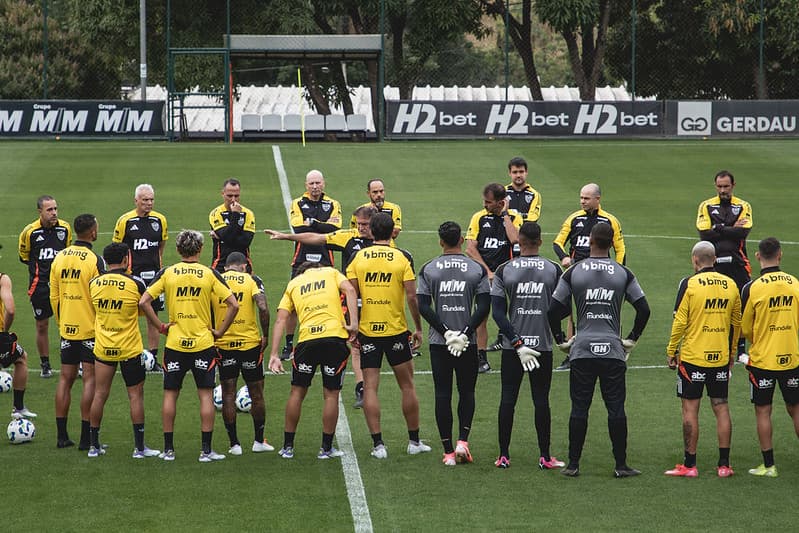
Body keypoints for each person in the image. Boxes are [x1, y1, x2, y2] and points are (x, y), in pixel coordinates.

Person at [548, 222, 650, 478]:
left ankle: (573, 464)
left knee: (579, 408)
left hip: (582, 350)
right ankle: (621, 465)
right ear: (611, 243)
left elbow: (552, 310)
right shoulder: (623, 272)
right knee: (616, 408)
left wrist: (561, 339)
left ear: (590, 241)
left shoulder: (573, 271)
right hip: (612, 351)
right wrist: (632, 338)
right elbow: (644, 309)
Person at [139, 229, 239, 462]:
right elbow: (233, 304)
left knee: (170, 394)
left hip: (175, 343)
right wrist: (220, 331)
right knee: (205, 395)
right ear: (201, 249)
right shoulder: (209, 273)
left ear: (177, 249)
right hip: (203, 343)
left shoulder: (168, 273)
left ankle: (169, 450)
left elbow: (144, 301)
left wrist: (161, 326)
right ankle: (205, 451)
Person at [266, 205, 378, 408]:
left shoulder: (384, 241)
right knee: (356, 346)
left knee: (373, 346)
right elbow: (317, 238)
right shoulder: (348, 237)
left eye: (365, 225)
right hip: (352, 300)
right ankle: (361, 389)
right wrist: (286, 237)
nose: (361, 228)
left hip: (377, 300)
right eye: (358, 224)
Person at [346, 212, 430, 459]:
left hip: (368, 331)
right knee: (407, 385)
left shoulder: (358, 257)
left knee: (370, 387)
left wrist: (353, 325)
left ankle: (378, 446)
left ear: (371, 231)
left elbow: (351, 293)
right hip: (395, 331)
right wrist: (418, 328)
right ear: (392, 231)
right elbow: (413, 297)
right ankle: (414, 442)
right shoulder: (402, 258)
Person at [491, 221, 565, 470]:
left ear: (518, 242)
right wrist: (557, 334)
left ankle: (503, 455)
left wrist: (516, 341)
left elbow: (498, 314)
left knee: (508, 398)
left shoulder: (504, 269)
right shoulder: (553, 269)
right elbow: (561, 308)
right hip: (542, 345)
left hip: (514, 348)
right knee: (541, 399)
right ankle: (545, 457)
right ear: (541, 242)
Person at [664, 241, 741, 478]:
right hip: (719, 357)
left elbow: (680, 321)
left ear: (695, 260)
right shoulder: (731, 284)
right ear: (715, 259)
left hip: (693, 358)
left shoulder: (689, 284)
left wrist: (671, 349)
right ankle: (724, 465)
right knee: (721, 406)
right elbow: (736, 323)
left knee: (690, 409)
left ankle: (690, 465)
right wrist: (731, 354)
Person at [417, 221, 490, 466]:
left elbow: (424, 306)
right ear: (460, 240)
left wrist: (446, 332)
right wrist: (466, 332)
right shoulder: (476, 269)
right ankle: (463, 442)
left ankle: (448, 451)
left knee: (442, 393)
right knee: (467, 391)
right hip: (466, 343)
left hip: (440, 343)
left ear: (440, 241)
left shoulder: (429, 268)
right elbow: (484, 306)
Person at [268, 262, 358, 459]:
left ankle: (288, 447)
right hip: (334, 338)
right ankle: (326, 448)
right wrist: (354, 325)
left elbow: (281, 319)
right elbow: (350, 289)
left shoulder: (294, 284)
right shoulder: (331, 272)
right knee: (331, 395)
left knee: (297, 392)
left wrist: (274, 354)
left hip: (307, 341)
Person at [87, 243, 160, 459]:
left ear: (106, 260)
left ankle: (94, 446)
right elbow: (144, 309)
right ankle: (139, 448)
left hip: (103, 347)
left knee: (100, 394)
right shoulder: (135, 282)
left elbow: (94, 309)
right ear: (126, 259)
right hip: (129, 348)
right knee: (135, 396)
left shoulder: (94, 283)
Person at [740, 237, 799, 478]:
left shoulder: (752, 287)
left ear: (757, 257)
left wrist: (760, 338)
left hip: (763, 359)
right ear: (780, 255)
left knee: (763, 411)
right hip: (792, 357)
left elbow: (745, 328)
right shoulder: (795, 284)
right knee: (796, 409)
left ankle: (769, 465)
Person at [552, 183, 626, 370]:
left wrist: (618, 271)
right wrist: (565, 257)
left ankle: (616, 348)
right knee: (573, 313)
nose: (582, 201)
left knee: (609, 310)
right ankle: (572, 353)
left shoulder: (610, 221)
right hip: (578, 275)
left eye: (586, 198)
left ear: (597, 199)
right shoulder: (574, 219)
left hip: (604, 274)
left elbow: (620, 249)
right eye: (581, 198)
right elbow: (557, 242)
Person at [49, 214, 105, 449]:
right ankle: (86, 438)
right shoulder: (94, 260)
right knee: (89, 380)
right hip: (89, 329)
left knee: (65, 378)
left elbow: (54, 295)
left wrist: (62, 323)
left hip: (67, 328)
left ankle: (62, 436)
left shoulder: (59, 258)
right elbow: (101, 294)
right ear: (92, 232)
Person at [213, 252, 274, 456]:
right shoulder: (251, 279)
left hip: (224, 343)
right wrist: (265, 335)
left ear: (227, 266)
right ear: (244, 266)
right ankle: (258, 441)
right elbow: (263, 307)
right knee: (256, 393)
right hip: (249, 344)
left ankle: (234, 445)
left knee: (228, 394)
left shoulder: (216, 278)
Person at [279, 170, 342, 361]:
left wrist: (312, 222)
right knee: (293, 305)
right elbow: (298, 228)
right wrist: (322, 225)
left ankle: (330, 339)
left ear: (324, 183)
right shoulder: (297, 203)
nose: (315, 186)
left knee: (330, 301)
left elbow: (335, 228)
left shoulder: (333, 203)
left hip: (325, 260)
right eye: (311, 183)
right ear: (306, 185)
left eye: (318, 183)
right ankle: (289, 344)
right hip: (301, 260)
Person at [465, 182, 522, 372]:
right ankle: (481, 358)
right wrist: (487, 272)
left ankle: (516, 349)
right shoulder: (478, 217)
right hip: (483, 275)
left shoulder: (514, 217)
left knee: (513, 313)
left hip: (507, 275)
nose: (485, 205)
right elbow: (470, 248)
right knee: (481, 314)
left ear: (500, 202)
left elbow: (515, 240)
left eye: (489, 202)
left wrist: (505, 215)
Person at [697, 170, 753, 359]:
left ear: (733, 185)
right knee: (713, 304)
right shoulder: (706, 205)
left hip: (738, 261)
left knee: (743, 304)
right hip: (712, 263)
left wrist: (718, 228)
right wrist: (731, 228)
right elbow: (704, 234)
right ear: (715, 186)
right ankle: (717, 344)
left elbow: (743, 233)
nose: (722, 190)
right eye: (719, 186)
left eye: (726, 186)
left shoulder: (743, 205)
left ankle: (741, 349)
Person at [113, 183, 168, 371]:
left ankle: (152, 357)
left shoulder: (160, 220)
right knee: (128, 315)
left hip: (154, 276)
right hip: (131, 276)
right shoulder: (125, 221)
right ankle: (128, 353)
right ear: (136, 200)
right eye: (145, 200)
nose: (149, 203)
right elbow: (118, 249)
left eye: (151, 199)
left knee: (153, 316)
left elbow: (161, 246)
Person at [18, 195, 72, 378]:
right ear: (39, 211)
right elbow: (24, 257)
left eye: (55, 209)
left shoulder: (65, 228)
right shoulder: (30, 232)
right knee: (42, 325)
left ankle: (73, 363)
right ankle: (45, 364)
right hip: (39, 286)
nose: (54, 213)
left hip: (64, 285)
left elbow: (67, 253)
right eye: (49, 210)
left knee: (69, 323)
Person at [1, 271, 37, 420]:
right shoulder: (2, 279)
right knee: (21, 359)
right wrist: (4, 331)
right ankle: (18, 408)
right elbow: (10, 310)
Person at [209, 178, 256, 273]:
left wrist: (221, 237)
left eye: (236, 196)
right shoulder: (216, 213)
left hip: (243, 265)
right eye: (229, 196)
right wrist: (236, 215)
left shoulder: (248, 214)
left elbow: (245, 242)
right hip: (221, 264)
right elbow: (229, 237)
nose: (233, 199)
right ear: (223, 194)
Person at [505, 157, 542, 222]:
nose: (518, 175)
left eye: (521, 172)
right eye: (515, 172)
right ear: (509, 173)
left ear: (526, 172)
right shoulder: (503, 192)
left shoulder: (534, 195)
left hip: (525, 231)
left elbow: (533, 218)